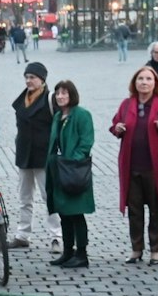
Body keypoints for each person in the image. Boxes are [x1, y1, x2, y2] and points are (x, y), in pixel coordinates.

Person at [110, 65, 158, 263]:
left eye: (148, 79)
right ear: (135, 82)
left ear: (155, 83)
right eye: (140, 79)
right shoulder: (127, 104)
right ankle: (136, 249)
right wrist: (118, 128)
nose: (144, 82)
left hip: (155, 167)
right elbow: (115, 125)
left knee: (156, 209)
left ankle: (155, 251)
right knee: (135, 210)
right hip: (132, 165)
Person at [45, 80, 95, 268]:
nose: (60, 96)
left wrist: (72, 161)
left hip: (74, 171)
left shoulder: (82, 115)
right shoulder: (58, 116)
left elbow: (86, 142)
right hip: (58, 170)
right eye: (57, 93)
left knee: (76, 213)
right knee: (64, 212)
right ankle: (68, 251)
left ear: (72, 95)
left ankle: (81, 254)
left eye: (64, 93)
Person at [10, 62, 54, 250]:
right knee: (24, 197)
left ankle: (57, 236)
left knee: (49, 197)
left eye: (32, 77)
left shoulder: (50, 99)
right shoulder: (22, 99)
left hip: (43, 155)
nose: (28, 81)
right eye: (26, 77)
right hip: (24, 154)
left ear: (42, 80)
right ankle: (22, 234)